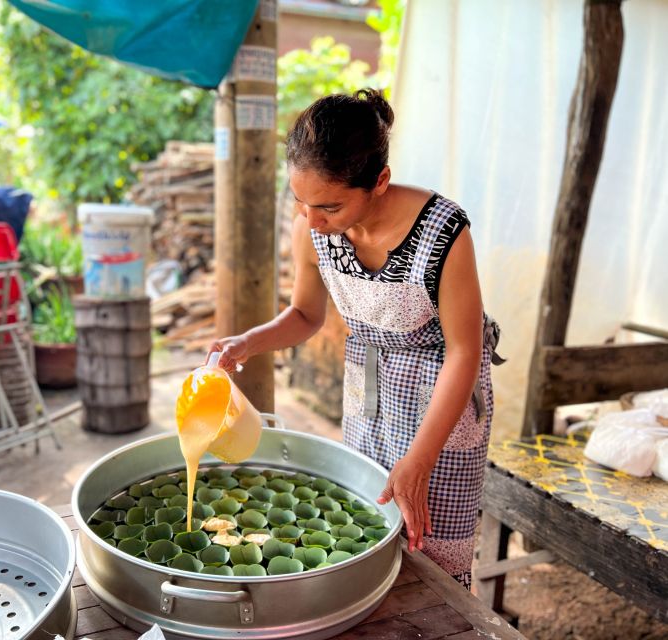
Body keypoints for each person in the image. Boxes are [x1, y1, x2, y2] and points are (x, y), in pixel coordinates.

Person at [208, 89, 502, 588]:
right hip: (367, 390)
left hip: (441, 402)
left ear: (380, 181)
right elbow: (304, 314)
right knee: (364, 523)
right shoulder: (312, 224)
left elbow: (464, 351)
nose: (312, 220)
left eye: (328, 206)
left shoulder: (443, 230)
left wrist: (421, 457)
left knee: (433, 550)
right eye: (300, 202)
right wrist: (247, 343)